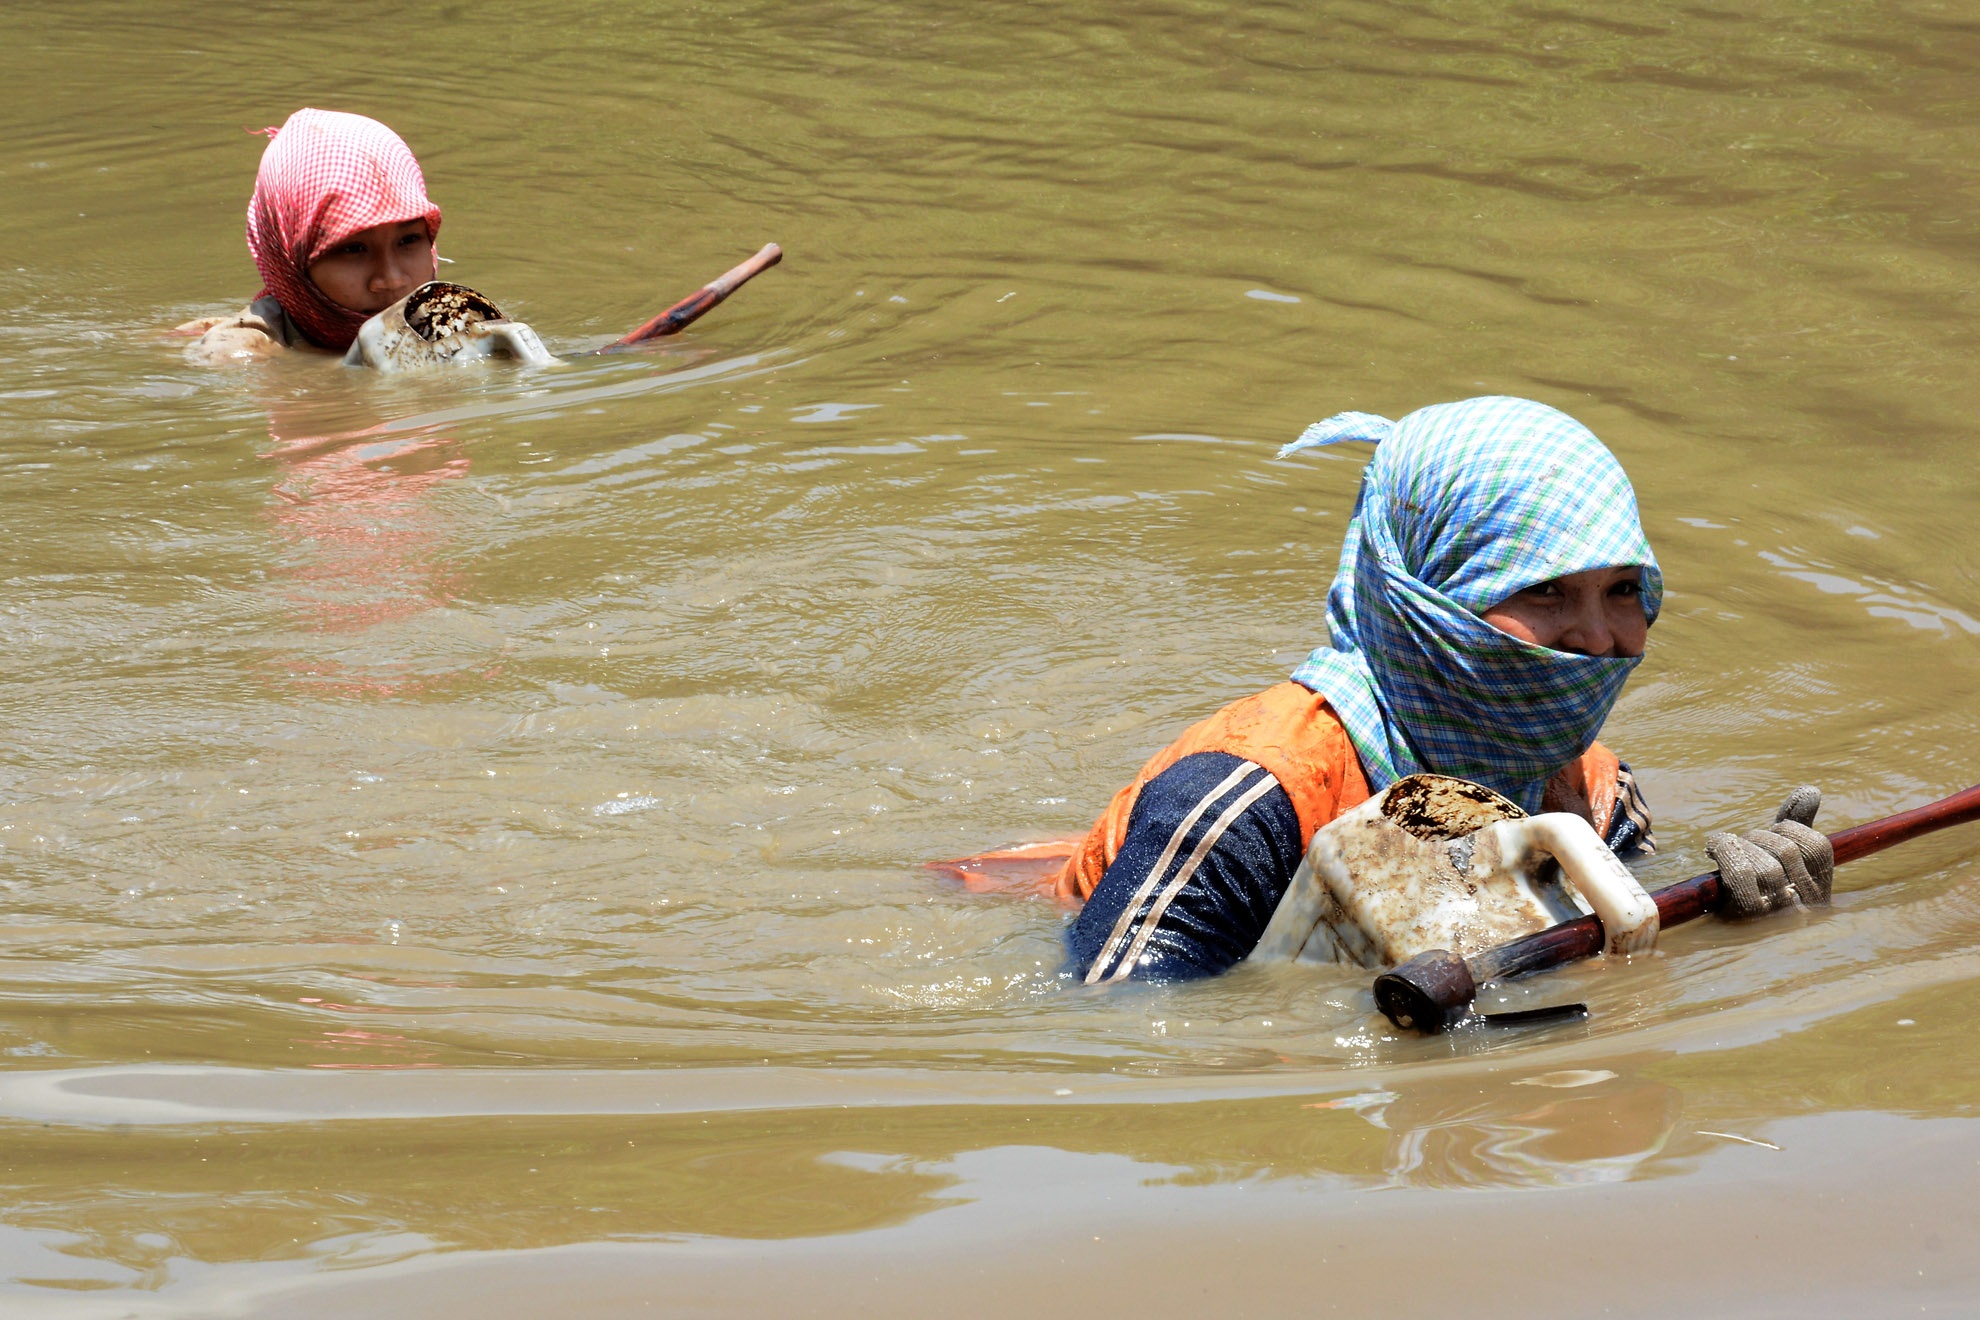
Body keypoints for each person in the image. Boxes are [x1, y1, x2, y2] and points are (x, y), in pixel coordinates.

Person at [1057, 395, 1832, 985]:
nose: (1599, 639)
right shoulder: (1249, 803)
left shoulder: (1594, 791)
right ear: (1422, 594)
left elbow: (1610, 953)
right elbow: (1118, 1031)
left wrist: (1735, 916)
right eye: (1546, 592)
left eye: (1624, 590)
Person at [175, 108, 443, 364]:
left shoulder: (451, 321)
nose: (391, 280)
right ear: (289, 256)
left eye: (408, 240)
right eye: (353, 249)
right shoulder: (239, 351)